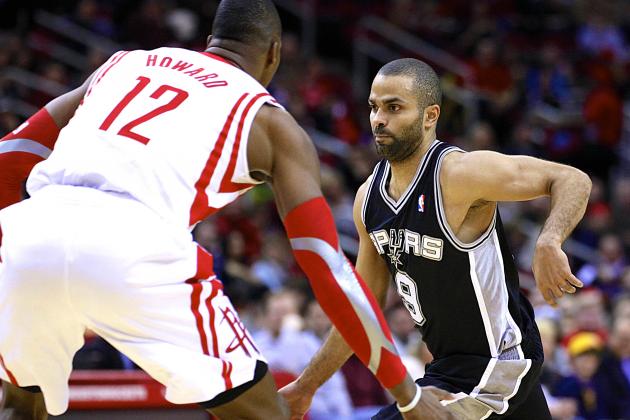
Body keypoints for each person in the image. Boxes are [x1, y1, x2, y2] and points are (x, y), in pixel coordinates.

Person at [0, 2, 433, 418]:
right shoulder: (270, 121)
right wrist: (408, 395)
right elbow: (325, 265)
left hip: (33, 229)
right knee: (267, 415)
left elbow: (12, 153)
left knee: (21, 406)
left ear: (211, 39)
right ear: (274, 53)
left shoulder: (123, 64)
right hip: (137, 243)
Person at [280, 58, 592, 419]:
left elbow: (572, 179)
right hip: (449, 369)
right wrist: (307, 386)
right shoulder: (368, 200)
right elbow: (361, 310)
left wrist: (549, 240)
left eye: (394, 107)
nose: (379, 119)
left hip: (500, 362)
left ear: (430, 116)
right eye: (374, 107)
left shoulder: (458, 174)